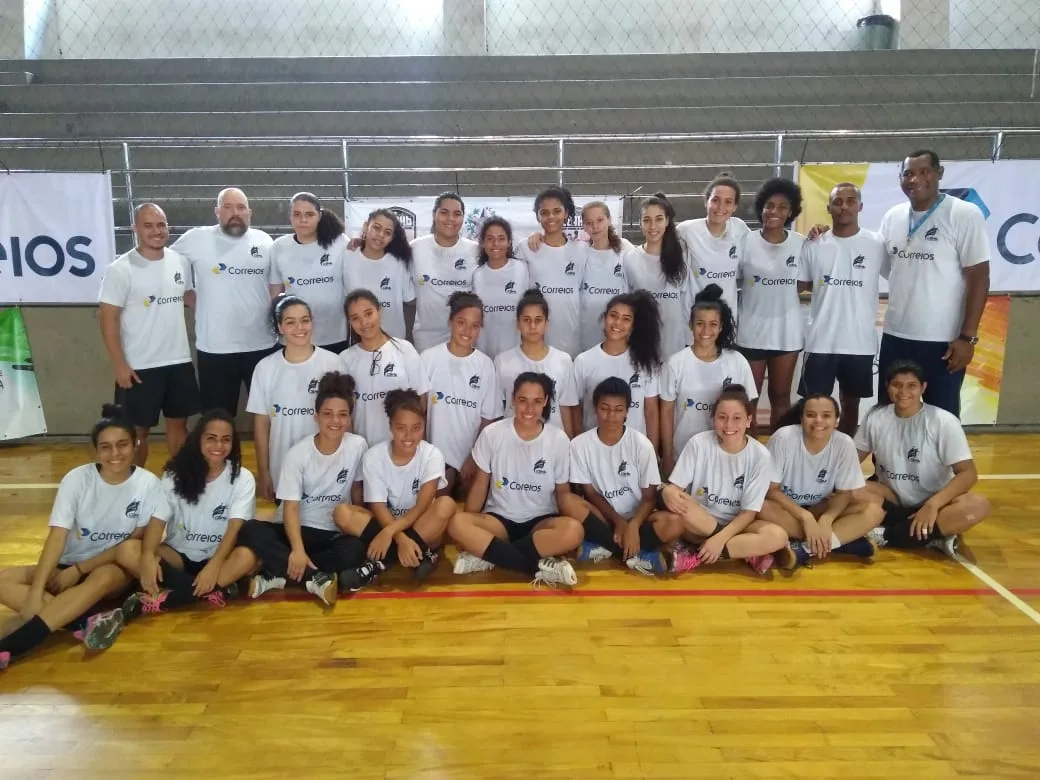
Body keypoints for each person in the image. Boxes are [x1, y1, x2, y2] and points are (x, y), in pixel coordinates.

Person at [0, 406, 161, 669]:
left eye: (122, 445)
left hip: (110, 569)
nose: (115, 454)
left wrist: (79, 570)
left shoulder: (148, 484)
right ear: (95, 450)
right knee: (2, 580)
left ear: (136, 445)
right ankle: (82, 619)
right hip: (68, 566)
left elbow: (133, 542)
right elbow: (56, 537)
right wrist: (36, 591)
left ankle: (21, 642)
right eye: (106, 447)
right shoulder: (76, 479)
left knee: (104, 576)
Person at [98, 410, 259, 635]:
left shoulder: (242, 478)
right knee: (128, 550)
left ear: (233, 443)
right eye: (211, 438)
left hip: (219, 558)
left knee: (247, 557)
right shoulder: (175, 475)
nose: (218, 445)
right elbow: (157, 521)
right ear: (199, 439)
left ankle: (166, 599)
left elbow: (234, 528)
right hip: (179, 556)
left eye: (226, 440)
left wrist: (213, 566)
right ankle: (214, 591)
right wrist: (147, 557)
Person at [877, 150, 990, 418]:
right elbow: (881, 265)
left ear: (939, 174)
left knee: (941, 418)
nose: (915, 179)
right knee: (890, 414)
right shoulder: (893, 216)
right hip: (896, 336)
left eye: (923, 171)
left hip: (943, 341)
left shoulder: (963, 214)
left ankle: (938, 464)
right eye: (908, 173)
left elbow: (979, 276)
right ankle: (886, 463)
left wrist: (967, 338)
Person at [241, 372, 371, 604]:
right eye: (328, 414)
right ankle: (315, 578)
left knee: (354, 551)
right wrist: (297, 549)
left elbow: (356, 491)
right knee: (251, 529)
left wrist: (358, 525)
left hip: (331, 532)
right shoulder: (298, 454)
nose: (335, 421)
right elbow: (290, 508)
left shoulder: (357, 445)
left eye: (342, 415)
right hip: (296, 529)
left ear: (350, 418)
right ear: (316, 416)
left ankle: (277, 572)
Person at [448, 372, 585, 587]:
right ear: (513, 399)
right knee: (457, 523)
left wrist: (565, 538)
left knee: (574, 530)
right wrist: (469, 532)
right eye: (523, 401)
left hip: (540, 523)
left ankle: (492, 555)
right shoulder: (492, 434)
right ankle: (537, 566)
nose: (529, 409)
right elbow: (480, 485)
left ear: (546, 402)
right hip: (499, 521)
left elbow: (562, 493)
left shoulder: (558, 439)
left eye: (537, 402)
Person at [644, 385, 790, 575]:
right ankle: (744, 551)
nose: (729, 425)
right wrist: (668, 490)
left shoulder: (760, 455)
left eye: (737, 418)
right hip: (697, 521)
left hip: (738, 525)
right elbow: (676, 489)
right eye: (722, 417)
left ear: (748, 420)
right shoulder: (699, 443)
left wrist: (719, 539)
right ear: (714, 419)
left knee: (777, 536)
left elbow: (748, 514)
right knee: (674, 500)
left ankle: (695, 557)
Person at [98, 202, 199, 466]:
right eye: (149, 225)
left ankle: (181, 486)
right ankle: (134, 489)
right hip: (140, 366)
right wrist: (119, 364)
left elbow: (189, 297)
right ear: (136, 229)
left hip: (178, 362)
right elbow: (108, 318)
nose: (156, 231)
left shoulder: (180, 262)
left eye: (161, 225)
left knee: (179, 427)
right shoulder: (120, 269)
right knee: (136, 432)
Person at [854, 360, 990, 556]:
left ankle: (886, 535)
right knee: (849, 490)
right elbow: (851, 460)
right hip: (892, 498)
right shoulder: (876, 416)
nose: (903, 392)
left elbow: (968, 474)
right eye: (897, 385)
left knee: (978, 506)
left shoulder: (943, 421)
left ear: (923, 387)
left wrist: (932, 505)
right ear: (887, 386)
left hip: (934, 499)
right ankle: (932, 535)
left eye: (911, 386)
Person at [334, 390, 457, 591]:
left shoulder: (432, 455)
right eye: (401, 428)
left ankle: (377, 564)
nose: (409, 436)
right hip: (385, 523)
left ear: (424, 426)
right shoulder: (374, 456)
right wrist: (400, 538)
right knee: (342, 513)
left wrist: (391, 533)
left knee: (446, 505)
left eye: (416, 428)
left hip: (420, 525)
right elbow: (377, 506)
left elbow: (422, 506)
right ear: (390, 427)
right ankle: (419, 554)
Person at [173, 188, 275, 418]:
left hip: (262, 346)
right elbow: (167, 266)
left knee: (269, 416)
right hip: (215, 349)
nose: (235, 213)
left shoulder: (265, 241)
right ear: (217, 211)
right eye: (228, 207)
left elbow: (274, 286)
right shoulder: (195, 239)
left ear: (250, 212)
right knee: (217, 420)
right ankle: (225, 457)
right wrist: (191, 296)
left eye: (240, 207)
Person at [798, 183, 886, 437]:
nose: (844, 206)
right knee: (814, 406)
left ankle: (844, 458)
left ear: (860, 206)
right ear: (829, 208)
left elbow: (900, 276)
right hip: (821, 342)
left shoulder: (877, 243)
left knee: (851, 405)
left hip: (858, 343)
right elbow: (800, 285)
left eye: (850, 201)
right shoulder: (814, 244)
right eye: (838, 201)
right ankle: (810, 458)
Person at [759, 395, 882, 567]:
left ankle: (804, 549)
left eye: (826, 415)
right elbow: (771, 490)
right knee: (761, 508)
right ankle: (840, 542)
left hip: (819, 507)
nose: (818, 421)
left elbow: (844, 493)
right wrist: (805, 517)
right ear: (801, 418)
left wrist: (827, 519)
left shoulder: (844, 443)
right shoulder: (783, 438)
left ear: (836, 421)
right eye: (811, 415)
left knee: (873, 510)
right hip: (786, 510)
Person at [246, 295, 342, 501]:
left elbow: (344, 420)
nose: (300, 327)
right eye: (290, 322)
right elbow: (261, 425)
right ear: (280, 327)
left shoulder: (333, 363)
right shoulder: (265, 368)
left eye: (305, 320)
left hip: (326, 473)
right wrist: (264, 472)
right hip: (283, 471)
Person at [660, 284, 756, 476]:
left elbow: (749, 409)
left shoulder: (737, 361)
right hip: (684, 453)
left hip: (726, 451)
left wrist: (748, 450)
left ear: (721, 326)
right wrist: (668, 455)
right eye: (700, 323)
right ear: (690, 325)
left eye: (713, 324)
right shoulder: (676, 362)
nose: (706, 330)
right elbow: (667, 412)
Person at [569, 378, 662, 571]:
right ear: (595, 408)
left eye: (618, 410)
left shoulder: (641, 444)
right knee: (568, 502)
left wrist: (633, 526)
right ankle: (634, 552)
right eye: (605, 408)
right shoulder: (579, 444)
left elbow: (650, 497)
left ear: (627, 411)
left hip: (639, 518)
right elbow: (591, 493)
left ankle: (608, 546)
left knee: (673, 524)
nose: (611, 416)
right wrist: (618, 522)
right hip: (604, 518)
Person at [735, 177, 805, 433]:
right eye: (769, 205)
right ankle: (748, 455)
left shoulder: (801, 243)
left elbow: (802, 284)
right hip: (750, 332)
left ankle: (780, 456)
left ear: (791, 212)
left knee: (780, 397)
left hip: (786, 334)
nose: (774, 211)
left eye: (782, 207)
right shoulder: (745, 241)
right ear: (761, 207)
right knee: (749, 399)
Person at [420, 291, 500, 497]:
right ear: (450, 321)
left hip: (469, 462)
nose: (467, 330)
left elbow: (488, 420)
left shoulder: (485, 365)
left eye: (475, 325)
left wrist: (473, 459)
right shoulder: (428, 359)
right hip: (434, 460)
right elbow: (419, 412)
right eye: (461, 322)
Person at [340, 289, 429, 445]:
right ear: (350, 323)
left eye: (368, 314)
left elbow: (421, 398)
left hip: (402, 447)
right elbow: (344, 411)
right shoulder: (345, 359)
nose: (364, 323)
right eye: (355, 318)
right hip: (364, 448)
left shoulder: (404, 349)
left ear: (379, 311)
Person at [572, 291, 661, 447]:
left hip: (635, 447)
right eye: (614, 316)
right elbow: (575, 408)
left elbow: (651, 411)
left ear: (633, 326)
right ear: (605, 318)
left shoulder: (646, 363)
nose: (618, 323)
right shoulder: (584, 361)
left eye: (626, 319)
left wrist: (652, 450)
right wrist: (580, 444)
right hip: (594, 447)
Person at [268, 192, 350, 353]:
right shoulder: (279, 247)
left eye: (309, 214)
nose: (303, 220)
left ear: (319, 216)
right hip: (296, 335)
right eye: (297, 214)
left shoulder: (340, 242)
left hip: (333, 335)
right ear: (290, 216)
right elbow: (274, 293)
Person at [494, 288, 579, 437]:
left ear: (547, 324)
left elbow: (565, 407)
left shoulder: (563, 360)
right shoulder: (502, 361)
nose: (532, 326)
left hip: (553, 443)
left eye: (538, 320)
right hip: (512, 440)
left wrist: (569, 442)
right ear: (517, 324)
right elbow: (497, 410)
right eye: (526, 320)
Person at [514, 187, 585, 358]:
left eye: (556, 211)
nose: (551, 217)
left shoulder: (581, 249)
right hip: (534, 341)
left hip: (571, 340)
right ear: (538, 216)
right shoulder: (526, 248)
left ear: (566, 213)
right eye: (544, 212)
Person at [622, 192, 694, 358]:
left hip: (675, 343)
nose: (653, 226)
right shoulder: (631, 259)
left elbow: (684, 299)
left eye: (659, 219)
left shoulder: (681, 255)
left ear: (667, 221)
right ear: (640, 223)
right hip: (643, 342)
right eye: (647, 220)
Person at [411, 193, 479, 352]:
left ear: (463, 218)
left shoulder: (476, 251)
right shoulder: (415, 248)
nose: (450, 219)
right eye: (444, 212)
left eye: (457, 214)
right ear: (434, 215)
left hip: (464, 334)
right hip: (426, 336)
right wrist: (360, 241)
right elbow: (384, 254)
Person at [677, 173, 749, 312]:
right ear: (706, 201)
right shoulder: (686, 231)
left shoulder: (740, 229)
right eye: (715, 200)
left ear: (735, 207)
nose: (721, 207)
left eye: (728, 202)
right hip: (692, 316)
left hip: (726, 317)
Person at [343, 209, 416, 341]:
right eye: (376, 228)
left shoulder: (398, 263)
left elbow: (409, 299)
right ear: (366, 227)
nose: (381, 235)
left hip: (393, 340)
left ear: (392, 237)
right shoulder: (347, 257)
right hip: (360, 341)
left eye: (387, 232)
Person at [471, 216, 530, 359]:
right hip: (484, 352)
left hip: (516, 353)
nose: (495, 243)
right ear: (483, 243)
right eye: (490, 239)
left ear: (509, 242)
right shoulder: (477, 274)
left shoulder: (522, 269)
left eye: (501, 238)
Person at [577, 201, 629, 351]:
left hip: (619, 337)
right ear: (584, 227)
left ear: (609, 220)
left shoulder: (626, 249)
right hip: (587, 338)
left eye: (600, 220)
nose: (595, 226)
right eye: (589, 223)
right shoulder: (580, 253)